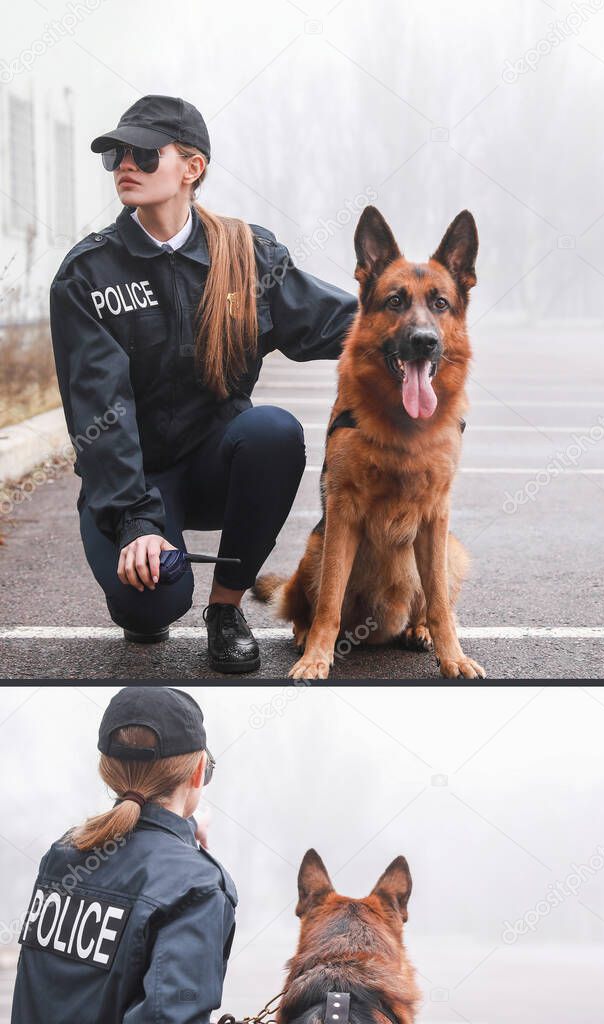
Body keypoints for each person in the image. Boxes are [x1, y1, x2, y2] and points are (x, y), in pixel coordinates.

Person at [51, 94, 359, 673]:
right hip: (135, 477)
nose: (125, 165)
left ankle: (225, 609)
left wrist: (418, 350)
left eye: (143, 153)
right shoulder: (88, 274)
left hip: (216, 462)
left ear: (191, 168)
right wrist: (137, 522)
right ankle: (148, 580)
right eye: (116, 154)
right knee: (151, 608)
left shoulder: (247, 256)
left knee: (273, 431)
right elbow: (100, 409)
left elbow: (350, 326)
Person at [12, 686, 236, 1023]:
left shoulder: (63, 854)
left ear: (108, 769)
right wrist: (184, 858)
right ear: (198, 771)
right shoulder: (196, 886)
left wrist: (181, 845)